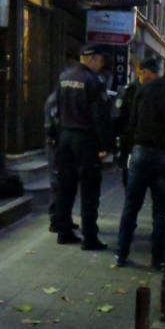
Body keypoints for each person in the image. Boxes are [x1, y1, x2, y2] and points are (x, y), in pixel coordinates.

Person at [115, 51, 165, 269]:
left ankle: (121, 253)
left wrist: (128, 152)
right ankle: (157, 258)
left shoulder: (145, 89)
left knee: (131, 205)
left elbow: (132, 122)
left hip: (140, 151)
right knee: (161, 211)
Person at [54, 45, 115, 250]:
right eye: (101, 60)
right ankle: (89, 237)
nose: (102, 65)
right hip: (85, 139)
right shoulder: (93, 81)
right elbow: (100, 116)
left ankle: (63, 231)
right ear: (92, 59)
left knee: (65, 187)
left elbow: (57, 107)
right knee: (89, 190)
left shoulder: (64, 76)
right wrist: (105, 144)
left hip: (66, 136)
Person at [116, 57, 161, 188]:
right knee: (129, 181)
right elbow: (118, 117)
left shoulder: (157, 92)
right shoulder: (128, 91)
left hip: (149, 143)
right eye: (154, 73)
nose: (157, 76)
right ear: (144, 73)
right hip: (130, 143)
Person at [43, 90, 79, 234]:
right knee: (57, 182)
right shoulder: (55, 99)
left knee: (65, 183)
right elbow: (52, 125)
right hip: (56, 144)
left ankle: (64, 218)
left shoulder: (60, 98)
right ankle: (55, 219)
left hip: (61, 143)